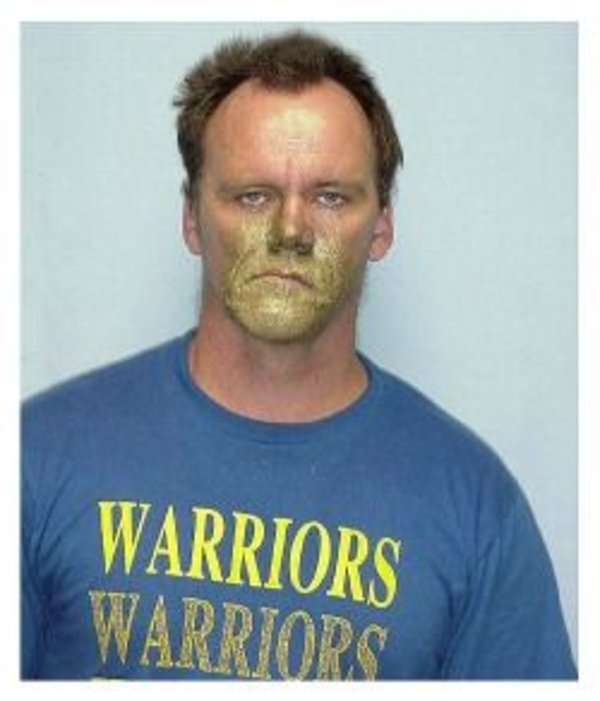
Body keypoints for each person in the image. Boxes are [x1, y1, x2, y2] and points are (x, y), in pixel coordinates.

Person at [21, 30, 576, 680]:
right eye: (252, 195)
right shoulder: (37, 456)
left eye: (330, 196)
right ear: (192, 218)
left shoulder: (474, 506)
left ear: (382, 225)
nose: (290, 231)